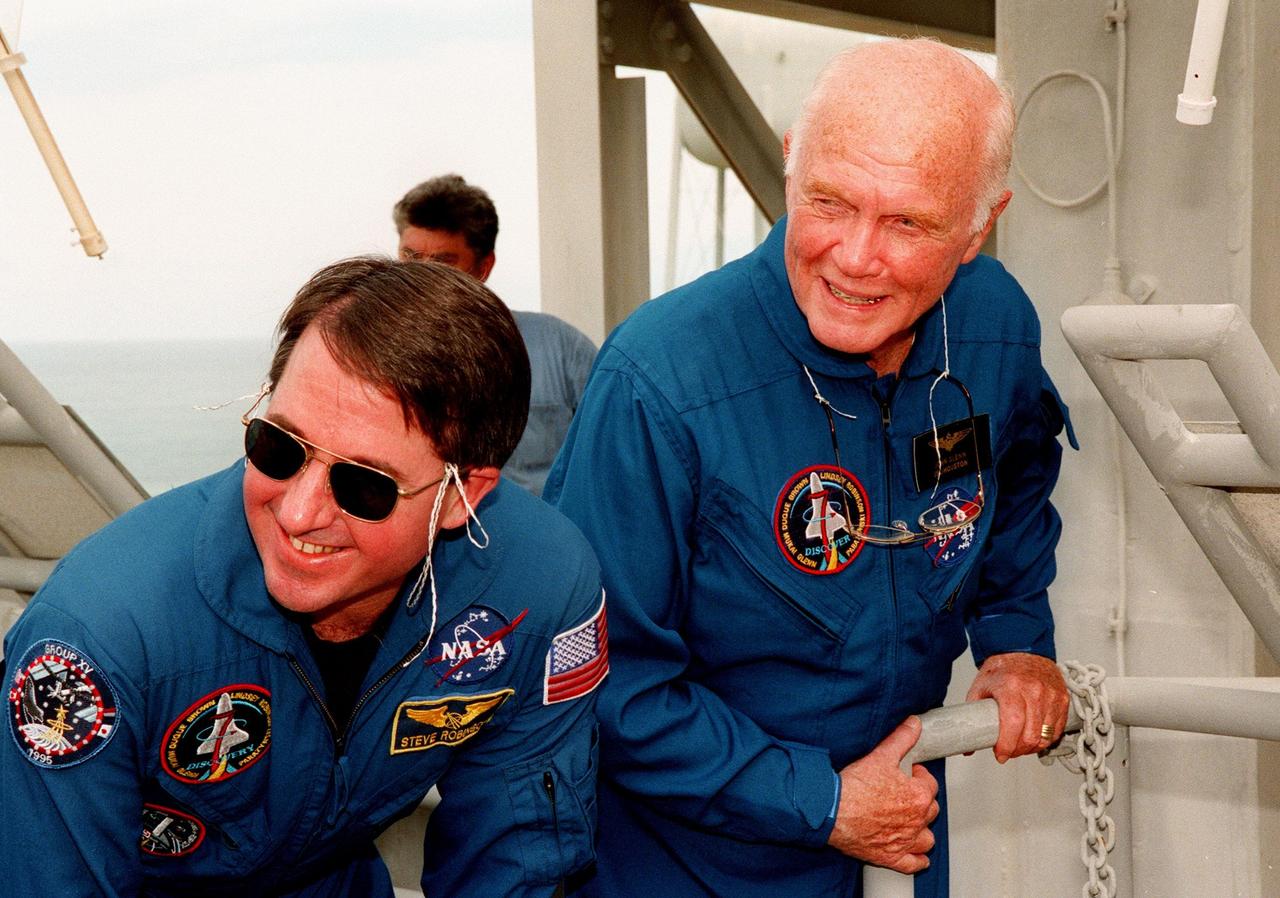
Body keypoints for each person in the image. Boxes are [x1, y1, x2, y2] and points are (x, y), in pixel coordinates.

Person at [544, 38, 1077, 898]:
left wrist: (1017, 642)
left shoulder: (994, 329)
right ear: (792, 164)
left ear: (981, 225)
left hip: (892, 845)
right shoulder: (661, 379)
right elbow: (604, 678)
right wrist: (823, 801)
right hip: (685, 862)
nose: (856, 256)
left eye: (908, 223)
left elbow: (1015, 476)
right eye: (830, 202)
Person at [2, 258, 607, 896]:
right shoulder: (99, 638)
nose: (297, 512)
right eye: (279, 447)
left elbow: (515, 859)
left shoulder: (539, 593)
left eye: (362, 484)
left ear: (462, 497)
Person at [394, 174, 597, 496]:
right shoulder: (374, 360)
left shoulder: (560, 349)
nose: (424, 274)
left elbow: (613, 458)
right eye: (411, 257)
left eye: (443, 261)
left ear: (483, 266)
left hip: (539, 541)